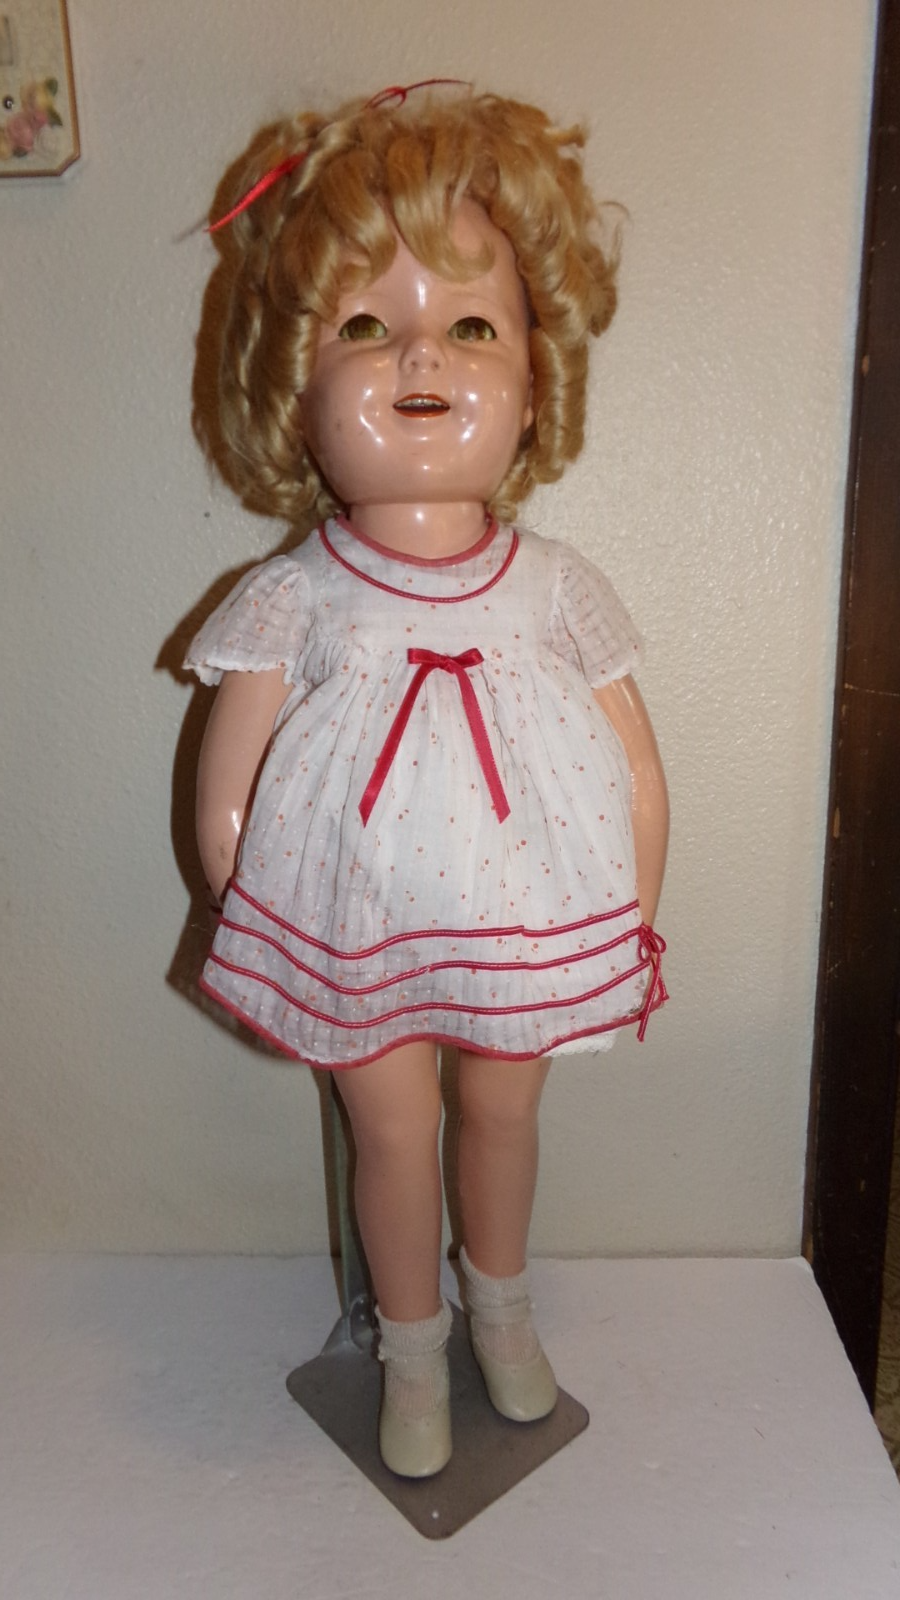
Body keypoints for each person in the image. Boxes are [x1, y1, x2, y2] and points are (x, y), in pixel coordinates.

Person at [185, 83, 669, 1479]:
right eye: (362, 326)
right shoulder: (299, 593)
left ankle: (499, 1311)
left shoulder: (553, 586)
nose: (420, 354)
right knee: (390, 1132)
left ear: (535, 380)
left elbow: (634, 766)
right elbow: (229, 789)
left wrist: (628, 908)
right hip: (354, 928)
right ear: (293, 389)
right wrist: (267, 913)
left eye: (470, 325)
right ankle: (410, 1345)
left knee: (506, 1108)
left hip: (522, 915)